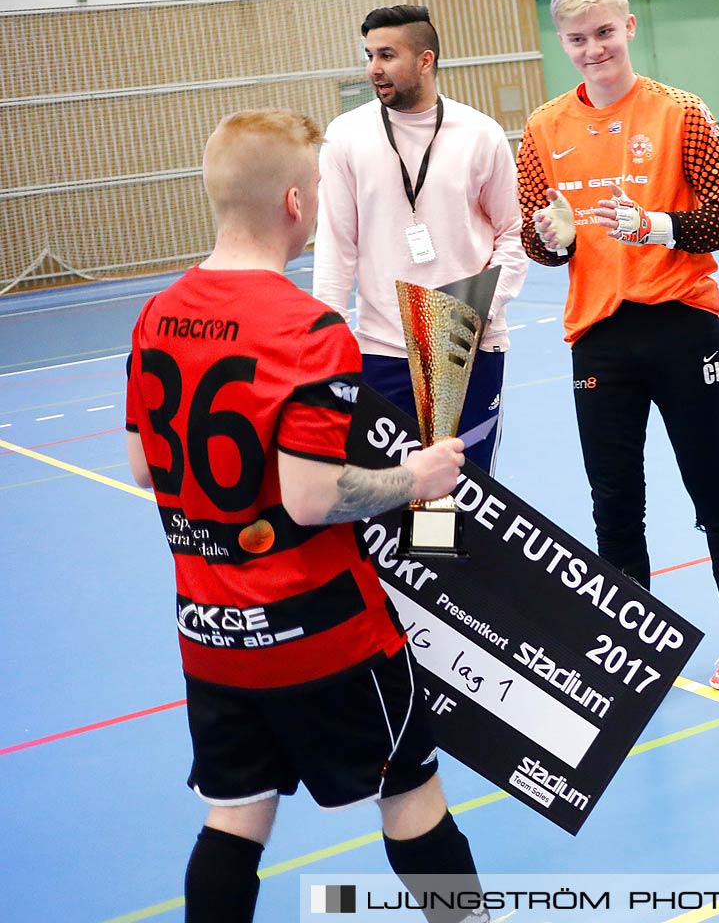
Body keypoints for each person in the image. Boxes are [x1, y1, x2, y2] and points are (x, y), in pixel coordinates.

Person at [124, 109, 483, 923]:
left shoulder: (155, 315)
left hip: (211, 634)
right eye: (318, 190)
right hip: (325, 636)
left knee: (237, 818)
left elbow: (145, 467)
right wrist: (414, 476)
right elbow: (312, 499)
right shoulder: (308, 329)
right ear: (293, 201)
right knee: (412, 799)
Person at [518, 0, 719, 691]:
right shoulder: (543, 129)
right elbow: (538, 242)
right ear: (562, 43)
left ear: (628, 27)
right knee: (614, 499)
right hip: (598, 333)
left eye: (603, 32)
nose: (593, 48)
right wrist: (549, 237)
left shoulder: (680, 113)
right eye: (577, 38)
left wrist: (657, 225)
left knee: (710, 484)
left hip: (681, 322)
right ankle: (632, 643)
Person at [313, 4, 526, 471]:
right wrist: (328, 338)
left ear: (425, 60)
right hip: (383, 351)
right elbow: (335, 244)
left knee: (468, 496)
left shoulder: (480, 134)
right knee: (388, 497)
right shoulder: (345, 137)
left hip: (470, 348)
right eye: (369, 55)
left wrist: (479, 309)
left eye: (387, 55)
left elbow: (513, 233)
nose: (374, 69)